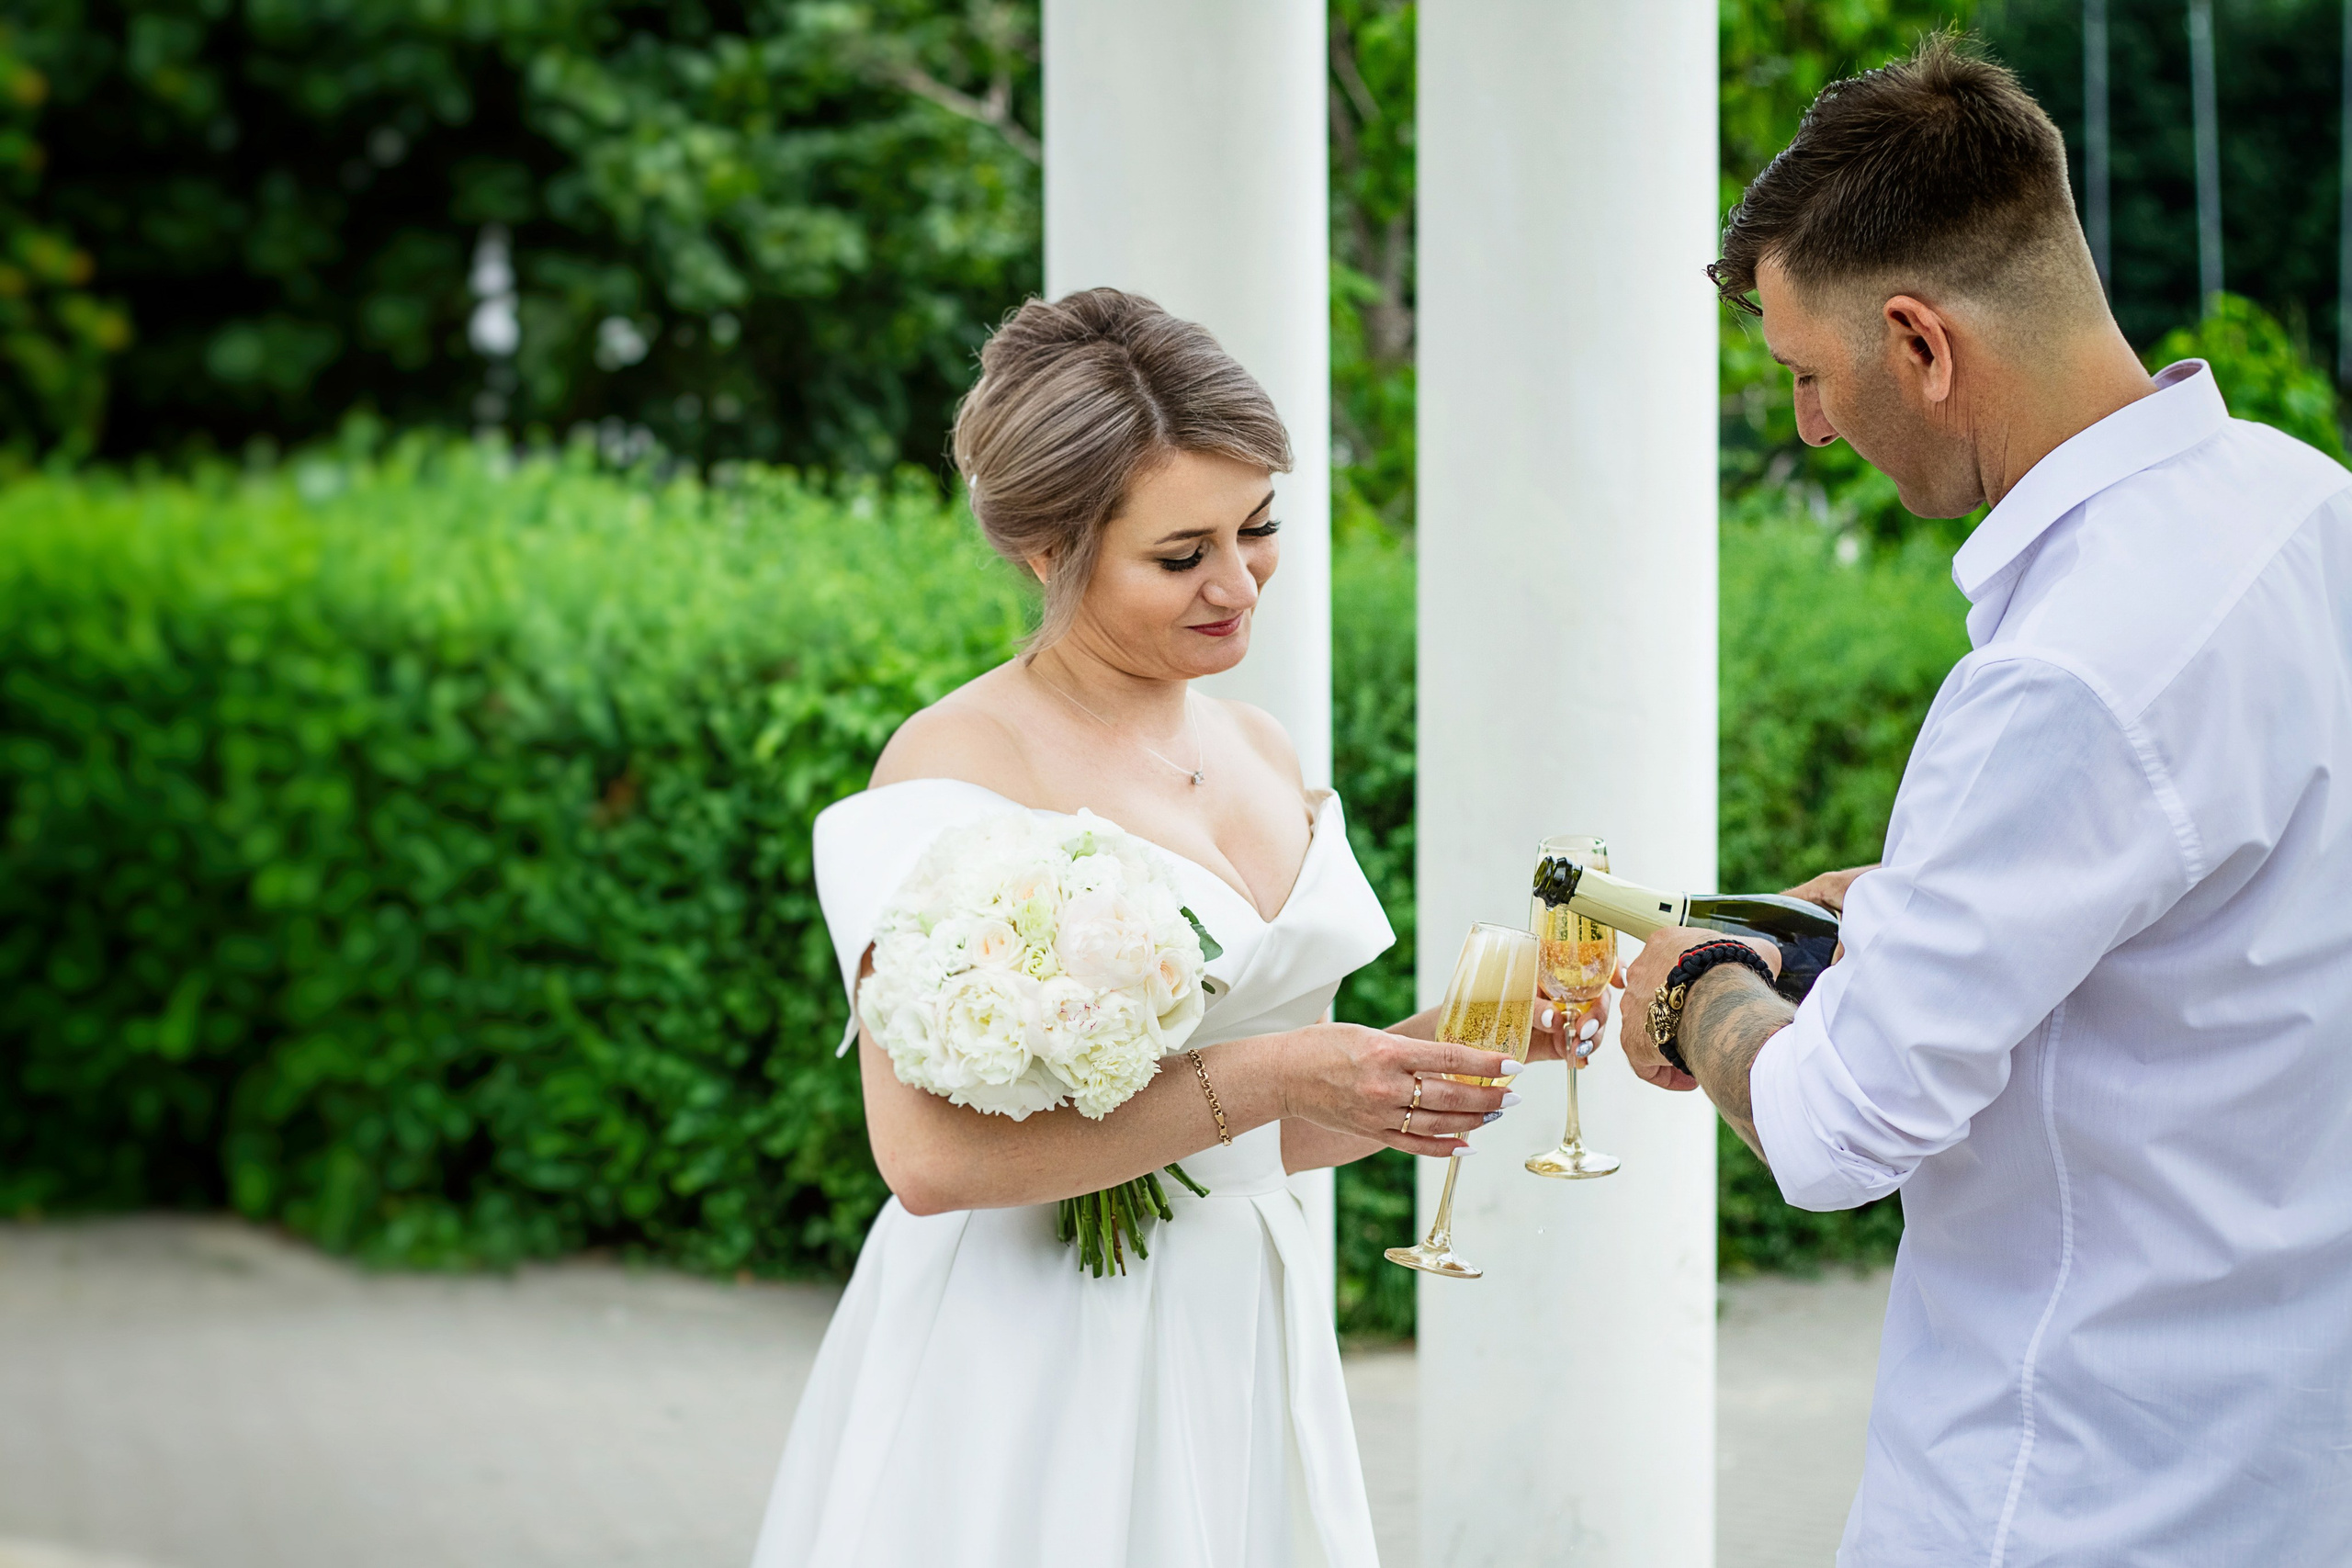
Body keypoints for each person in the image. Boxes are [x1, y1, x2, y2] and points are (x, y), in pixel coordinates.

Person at [1607, 36, 2352, 1567]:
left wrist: (1700, 986)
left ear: (1921, 343)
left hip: (2074, 1486)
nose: (1813, 423)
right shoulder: (2306, 510)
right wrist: (1901, 905)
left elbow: (1833, 1129)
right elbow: (2219, 915)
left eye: (1810, 375)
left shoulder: (2064, 675)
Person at [750, 288, 1578, 1568]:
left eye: (1259, 529)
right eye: (1181, 555)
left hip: (1245, 1320)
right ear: (1044, 547)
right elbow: (927, 1160)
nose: (1239, 583)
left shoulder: (1258, 746)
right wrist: (1281, 1069)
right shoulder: (956, 762)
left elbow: (1264, 1132)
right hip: (1038, 1350)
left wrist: (1451, 1046)